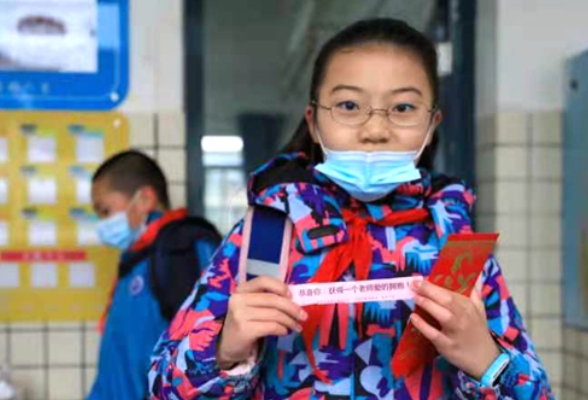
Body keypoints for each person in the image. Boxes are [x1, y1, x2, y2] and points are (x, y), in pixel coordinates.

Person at [148, 19, 554, 399]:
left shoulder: (457, 249)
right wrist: (223, 350)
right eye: (347, 106)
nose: (374, 130)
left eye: (403, 108)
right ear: (313, 121)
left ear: (432, 126)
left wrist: (488, 360)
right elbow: (160, 388)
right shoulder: (265, 237)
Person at [87, 150, 221, 400]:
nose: (102, 224)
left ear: (145, 198)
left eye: (105, 211)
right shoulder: (136, 259)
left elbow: (208, 354)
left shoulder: (183, 250)